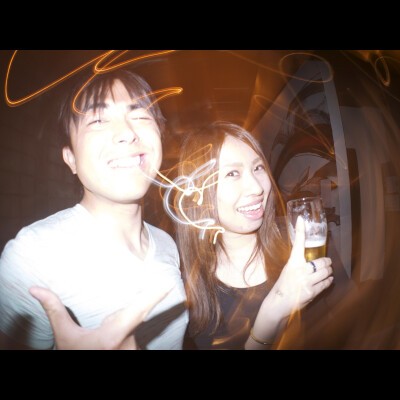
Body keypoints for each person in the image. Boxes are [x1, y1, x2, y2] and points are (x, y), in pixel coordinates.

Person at [0, 69, 188, 350]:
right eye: (98, 120)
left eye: (140, 116)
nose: (127, 133)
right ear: (71, 159)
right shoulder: (32, 255)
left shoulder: (167, 244)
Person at [174, 121, 334, 349]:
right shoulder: (187, 287)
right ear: (198, 191)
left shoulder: (306, 247)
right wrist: (273, 313)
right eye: (232, 173)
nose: (257, 188)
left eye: (258, 168)